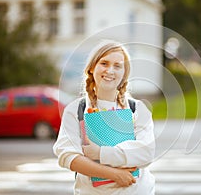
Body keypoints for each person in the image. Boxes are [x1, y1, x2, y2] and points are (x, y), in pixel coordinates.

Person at [53, 40, 156, 195]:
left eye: (117, 66)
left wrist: (99, 153)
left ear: (124, 74)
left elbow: (146, 153)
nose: (110, 70)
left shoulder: (137, 109)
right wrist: (115, 174)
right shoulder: (76, 110)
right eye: (104, 63)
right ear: (92, 68)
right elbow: (68, 156)